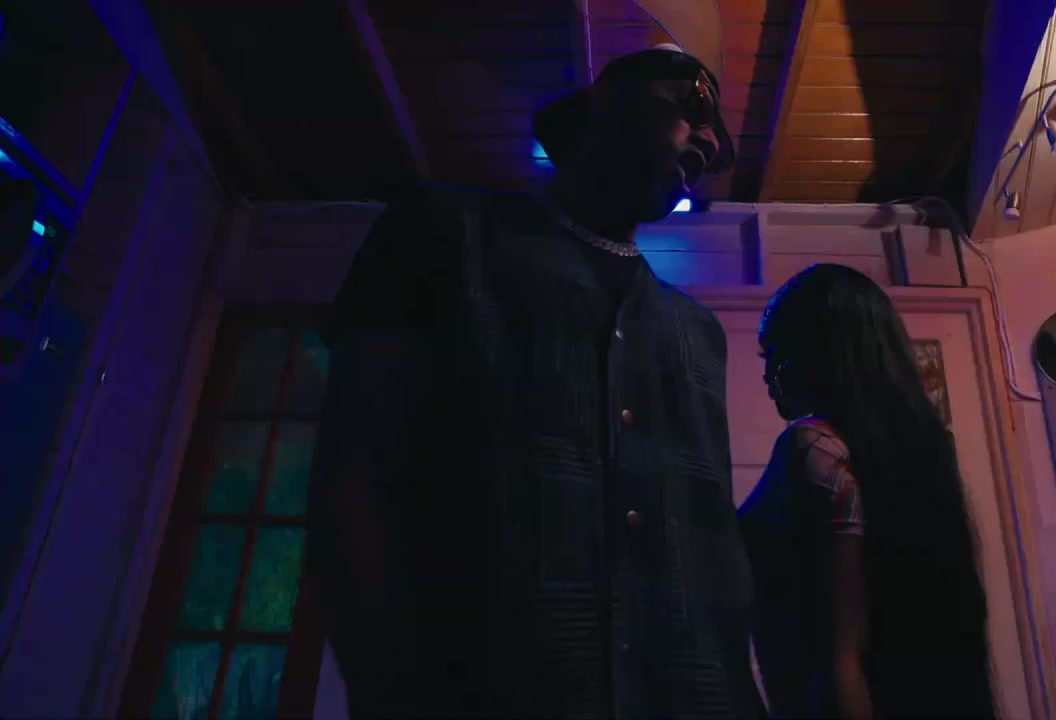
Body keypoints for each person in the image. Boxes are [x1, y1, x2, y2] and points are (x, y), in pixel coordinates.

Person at [306, 45, 764, 719]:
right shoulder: (440, 231)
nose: (712, 139)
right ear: (605, 102)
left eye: (719, 135)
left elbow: (712, 546)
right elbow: (354, 476)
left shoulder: (699, 333)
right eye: (693, 106)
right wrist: (384, 690)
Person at [739, 264, 998, 719]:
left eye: (776, 354)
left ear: (819, 355)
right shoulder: (916, 454)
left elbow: (839, 655)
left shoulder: (814, 447)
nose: (767, 375)